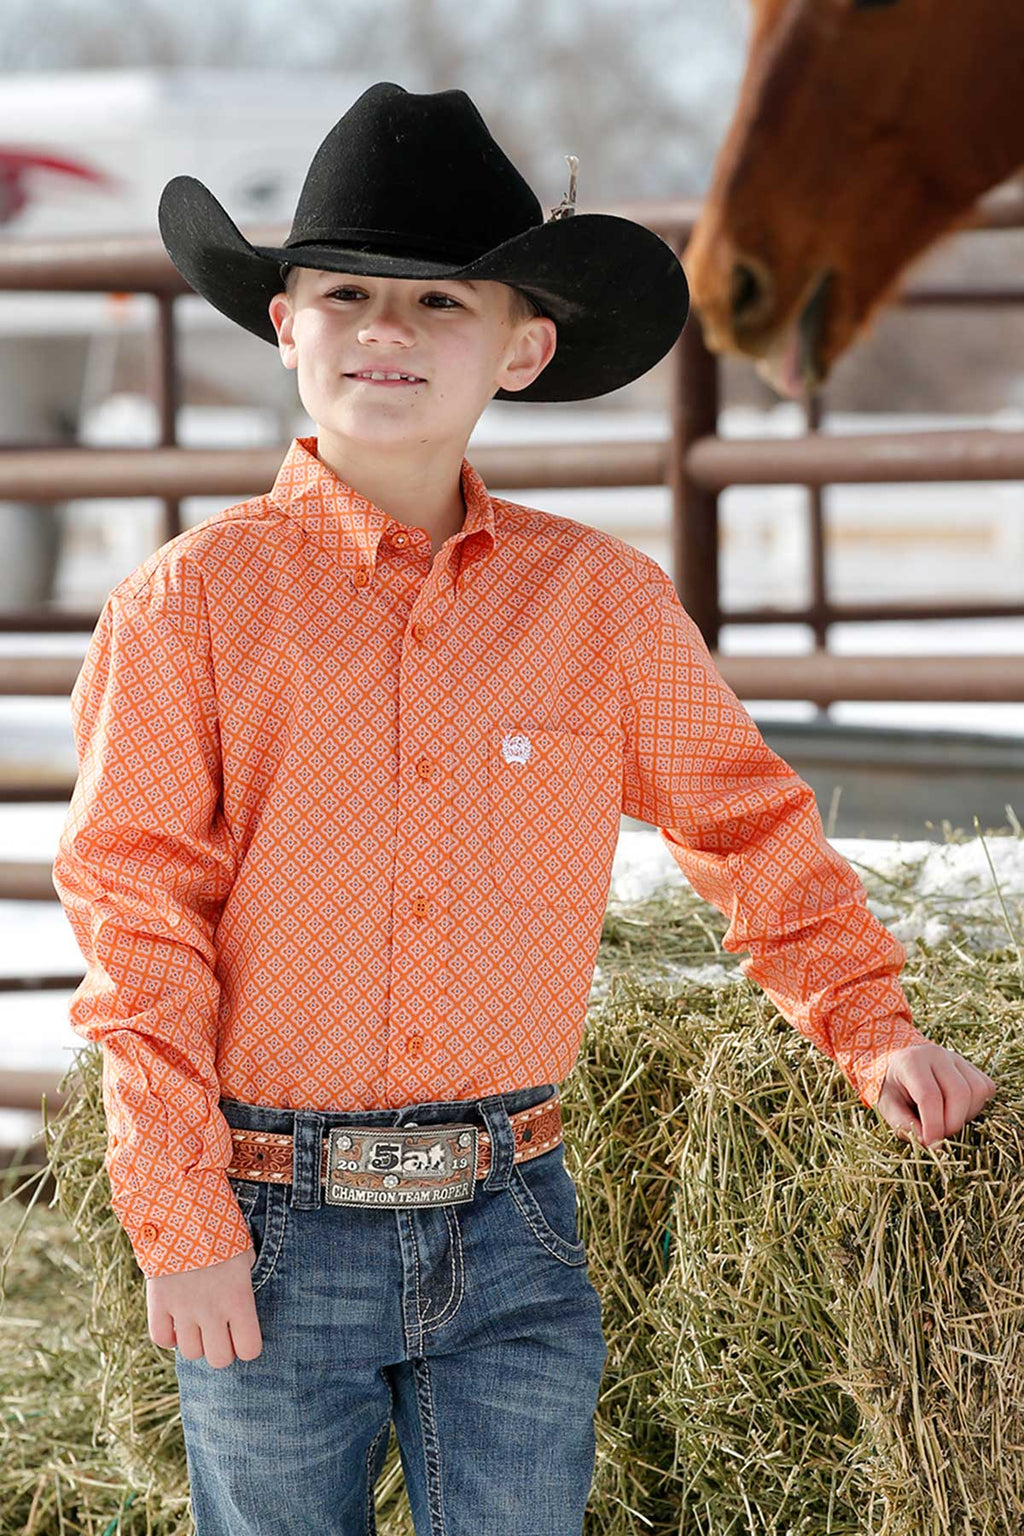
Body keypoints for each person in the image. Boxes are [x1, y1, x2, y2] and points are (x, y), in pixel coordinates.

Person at [51, 81, 996, 1536]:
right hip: (269, 1221)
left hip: (516, 1218)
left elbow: (745, 822)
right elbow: (137, 919)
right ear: (284, 325)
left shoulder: (598, 606)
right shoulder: (189, 610)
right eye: (347, 293)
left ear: (525, 344)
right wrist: (182, 1226)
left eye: (442, 302)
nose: (388, 331)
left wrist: (871, 1028)